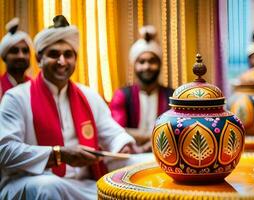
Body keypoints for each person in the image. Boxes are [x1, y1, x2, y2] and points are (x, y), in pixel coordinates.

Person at [0, 15, 145, 200]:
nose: (62, 61)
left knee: (143, 163)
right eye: (54, 54)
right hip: (30, 180)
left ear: (75, 59)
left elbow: (112, 132)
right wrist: (58, 154)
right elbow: (5, 150)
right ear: (39, 59)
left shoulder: (88, 96)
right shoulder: (16, 98)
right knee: (49, 188)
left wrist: (122, 145)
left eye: (68, 55)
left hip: (83, 185)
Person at [109, 25, 173, 153]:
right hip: (132, 155)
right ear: (134, 65)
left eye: (152, 61)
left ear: (160, 64)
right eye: (142, 62)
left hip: (166, 154)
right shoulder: (122, 95)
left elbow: (179, 129)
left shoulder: (173, 96)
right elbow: (116, 130)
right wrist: (153, 137)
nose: (147, 67)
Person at [0, 18, 32, 100]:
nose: (21, 56)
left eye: (25, 51)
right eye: (14, 51)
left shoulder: (34, 86)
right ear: (4, 57)